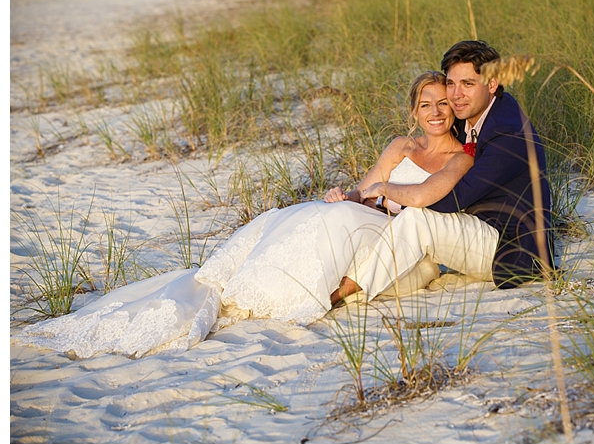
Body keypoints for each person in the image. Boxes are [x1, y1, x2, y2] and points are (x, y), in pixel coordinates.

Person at [14, 71, 474, 359]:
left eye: (441, 104)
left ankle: (295, 293)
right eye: (425, 104)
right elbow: (364, 186)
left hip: (398, 231)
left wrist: (379, 191)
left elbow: (423, 196)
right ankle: (241, 284)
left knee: (338, 221)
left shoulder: (461, 155)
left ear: (453, 110)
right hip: (369, 213)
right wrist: (349, 191)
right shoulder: (401, 146)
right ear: (413, 111)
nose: (435, 112)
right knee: (312, 211)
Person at [330, 40, 553, 305]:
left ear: (492, 84)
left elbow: (454, 199)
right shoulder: (477, 111)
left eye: (468, 84)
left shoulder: (507, 132)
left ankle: (338, 293)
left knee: (417, 220)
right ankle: (347, 281)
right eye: (451, 83)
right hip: (480, 229)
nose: (456, 95)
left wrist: (385, 198)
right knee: (416, 264)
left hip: (511, 250)